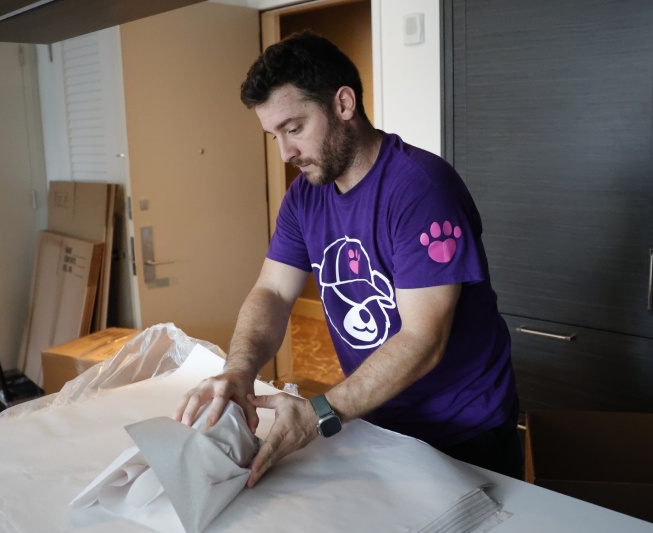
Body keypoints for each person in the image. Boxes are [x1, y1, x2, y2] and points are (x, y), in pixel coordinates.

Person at [174, 31, 521, 488]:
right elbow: (273, 292)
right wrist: (239, 369)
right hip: (377, 419)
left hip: (464, 432)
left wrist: (319, 413)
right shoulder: (304, 198)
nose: (285, 153)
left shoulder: (421, 189)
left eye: (295, 128)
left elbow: (423, 338)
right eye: (274, 135)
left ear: (343, 104)